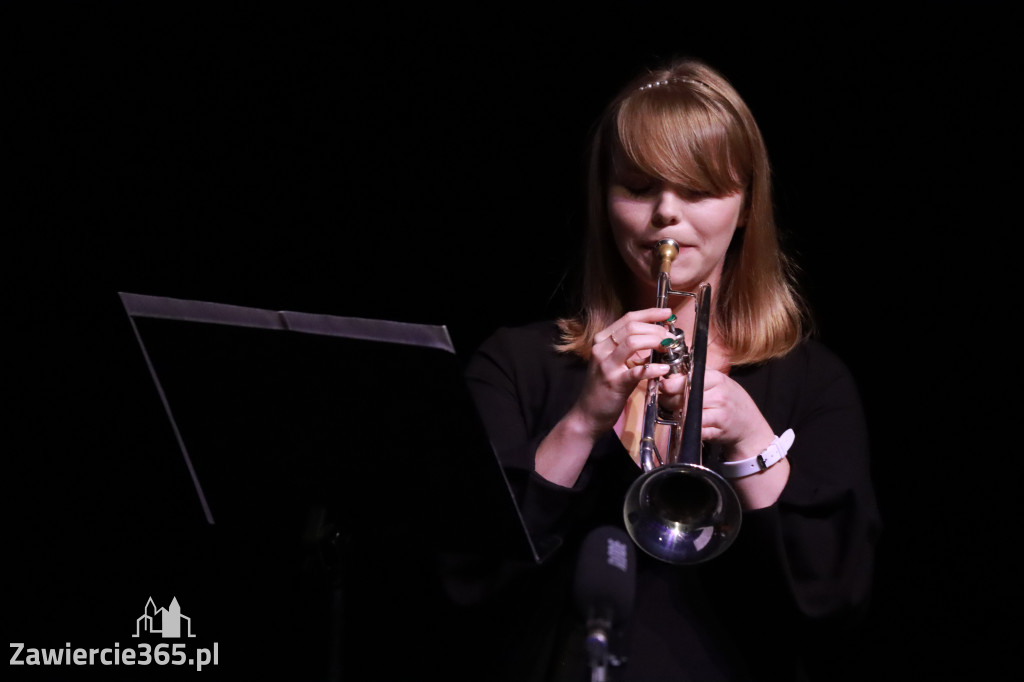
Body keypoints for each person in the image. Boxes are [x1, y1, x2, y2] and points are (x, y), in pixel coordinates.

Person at [462, 57, 881, 681]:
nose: (666, 214)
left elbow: (833, 601)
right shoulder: (515, 364)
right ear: (604, 199)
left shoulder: (813, 383)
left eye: (699, 189)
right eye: (638, 186)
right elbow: (468, 581)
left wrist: (752, 443)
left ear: (743, 208)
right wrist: (581, 421)